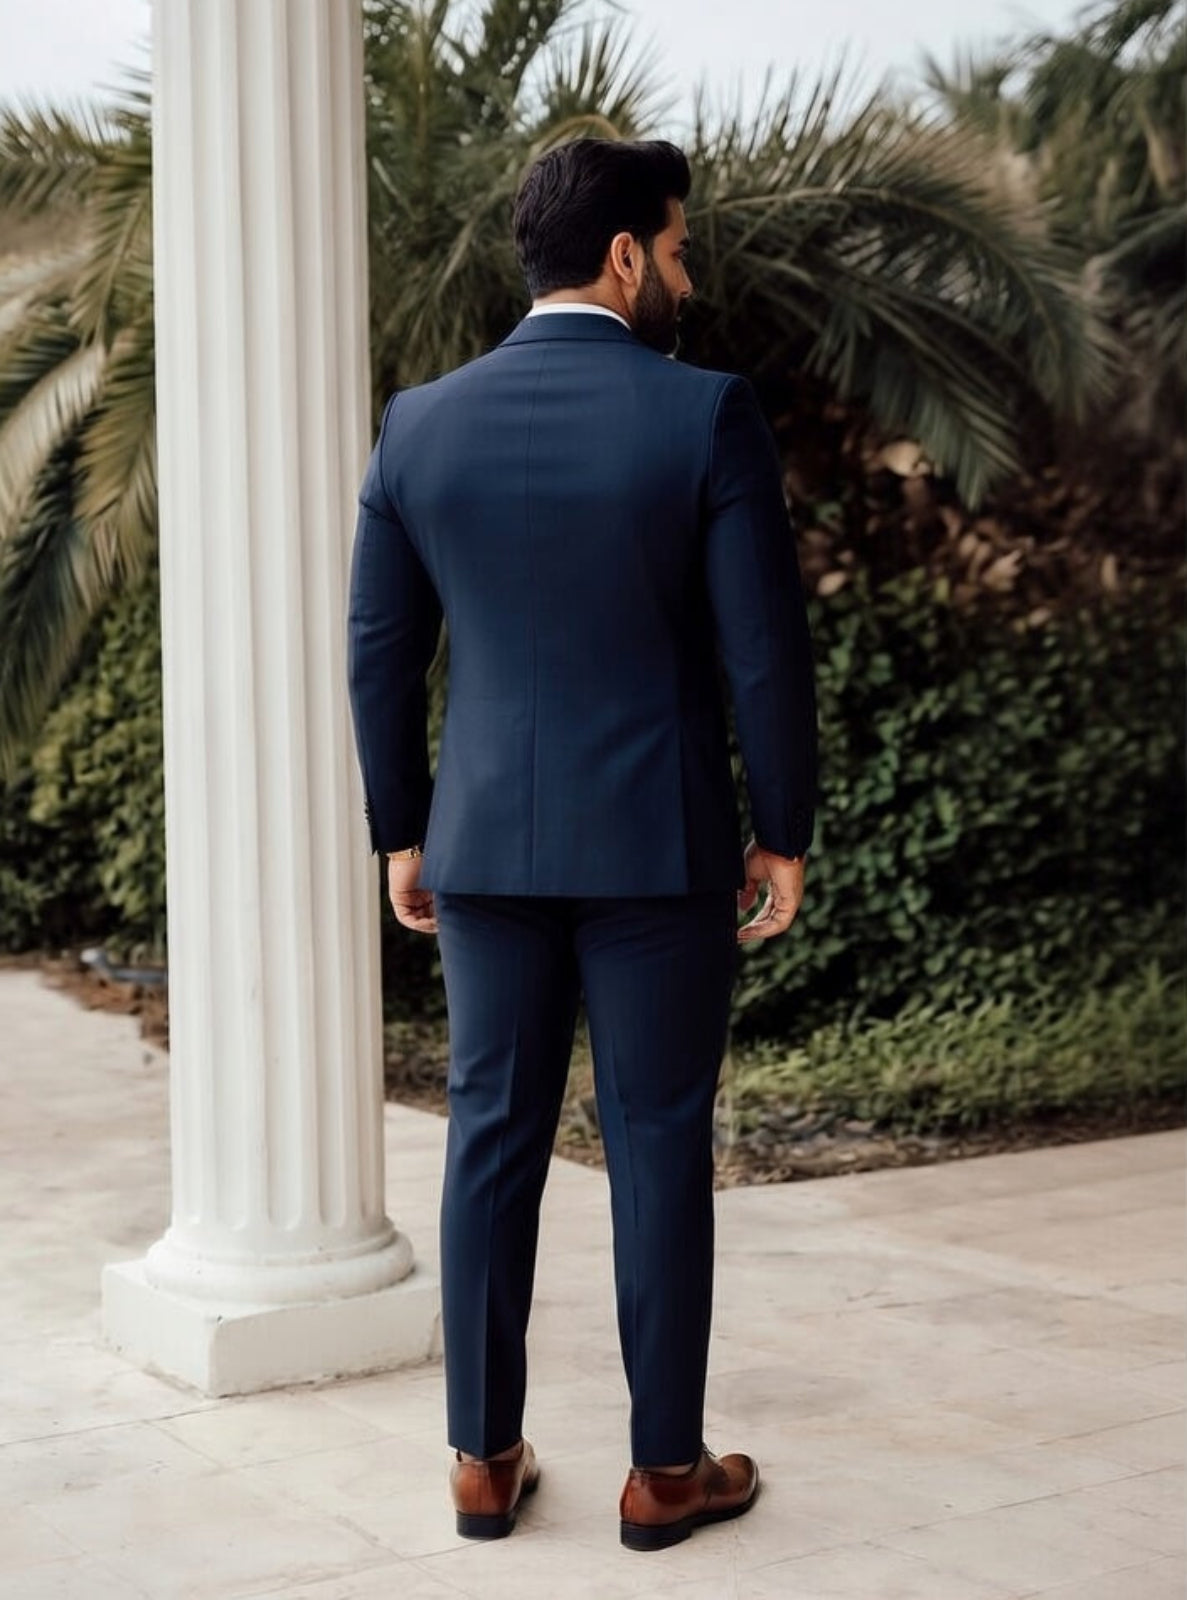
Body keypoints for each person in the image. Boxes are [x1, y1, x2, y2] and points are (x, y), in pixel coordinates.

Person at [347, 137, 818, 1552]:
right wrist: (781, 830)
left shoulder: (417, 422)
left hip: (481, 845)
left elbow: (377, 650)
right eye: (677, 249)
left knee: (489, 1132)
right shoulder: (705, 414)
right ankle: (664, 1476)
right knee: (657, 1142)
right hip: (658, 850)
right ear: (623, 256)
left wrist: (401, 830)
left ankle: (482, 1462)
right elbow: (764, 657)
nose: (685, 272)